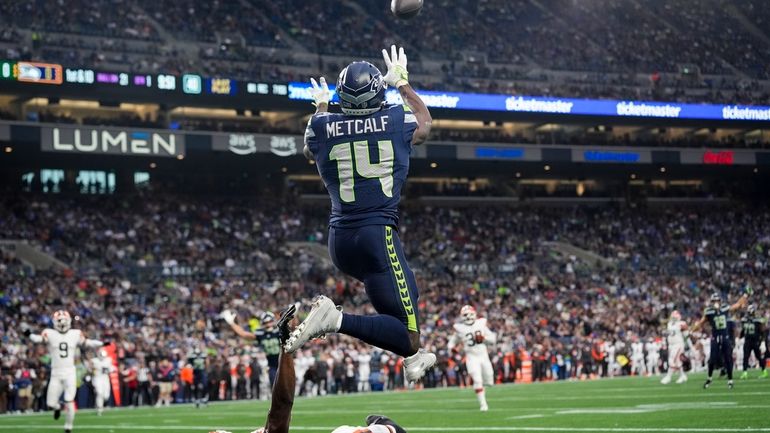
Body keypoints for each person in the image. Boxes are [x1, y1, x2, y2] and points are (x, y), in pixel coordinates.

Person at [284, 45, 435, 384]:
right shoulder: (396, 119)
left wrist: (321, 106)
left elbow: (310, 148)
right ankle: (336, 321)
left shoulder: (322, 126)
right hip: (376, 236)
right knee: (408, 334)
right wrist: (403, 84)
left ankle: (414, 357)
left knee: (410, 293)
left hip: (340, 241)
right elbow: (425, 124)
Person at [211, 304, 410, 433]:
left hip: (276, 366)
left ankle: (384, 429)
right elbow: (280, 410)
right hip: (280, 364)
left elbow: (245, 335)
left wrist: (231, 322)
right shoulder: (268, 333)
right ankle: (386, 429)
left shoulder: (262, 334)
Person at [28, 310, 103, 433]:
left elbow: (87, 342)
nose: (62, 323)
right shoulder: (50, 333)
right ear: (54, 322)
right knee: (51, 404)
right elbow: (37, 339)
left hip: (69, 372)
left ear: (69, 321)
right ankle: (57, 408)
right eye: (59, 321)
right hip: (55, 372)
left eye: (64, 320)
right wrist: (27, 332)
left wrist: (101, 343)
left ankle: (68, 426)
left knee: (69, 400)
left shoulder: (75, 333)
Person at [692, 292, 749, 389]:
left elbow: (738, 305)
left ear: (720, 301)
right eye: (714, 301)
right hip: (715, 337)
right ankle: (709, 378)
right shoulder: (709, 312)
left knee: (728, 358)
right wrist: (692, 329)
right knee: (712, 359)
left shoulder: (724, 308)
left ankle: (730, 380)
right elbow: (701, 323)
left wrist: (745, 295)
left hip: (725, 336)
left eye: (717, 301)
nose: (716, 303)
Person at [447, 305, 497, 411]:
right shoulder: (459, 328)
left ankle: (483, 388)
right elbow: (451, 343)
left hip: (484, 356)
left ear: (474, 314)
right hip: (471, 357)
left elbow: (493, 339)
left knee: (489, 381)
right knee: (477, 380)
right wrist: (453, 349)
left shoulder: (481, 323)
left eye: (470, 314)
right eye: (465, 315)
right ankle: (483, 405)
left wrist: (485, 339)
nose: (468, 317)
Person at [222, 310, 283, 388]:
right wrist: (232, 323)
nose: (268, 324)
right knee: (275, 386)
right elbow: (243, 334)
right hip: (272, 364)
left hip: (283, 362)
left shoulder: (278, 331)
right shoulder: (261, 334)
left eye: (270, 321)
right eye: (266, 322)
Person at [660, 310, 689, 385]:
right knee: (677, 362)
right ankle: (682, 376)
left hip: (678, 344)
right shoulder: (669, 324)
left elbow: (687, 336)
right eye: (672, 317)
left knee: (671, 360)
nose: (673, 319)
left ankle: (668, 377)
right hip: (671, 345)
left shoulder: (681, 324)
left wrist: (691, 346)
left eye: (674, 317)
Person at [739, 304, 767, 379]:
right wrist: (739, 338)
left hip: (756, 341)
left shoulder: (758, 320)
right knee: (745, 357)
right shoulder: (744, 320)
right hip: (747, 340)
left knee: (758, 357)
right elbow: (743, 330)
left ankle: (764, 371)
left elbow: (763, 331)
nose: (750, 313)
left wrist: (763, 342)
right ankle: (745, 372)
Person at [91, 349, 115, 416]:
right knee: (99, 393)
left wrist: (112, 369)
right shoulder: (94, 361)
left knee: (106, 396)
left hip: (105, 378)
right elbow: (91, 369)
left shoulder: (108, 360)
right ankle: (99, 408)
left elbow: (112, 368)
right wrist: (92, 371)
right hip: (98, 378)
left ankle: (100, 405)